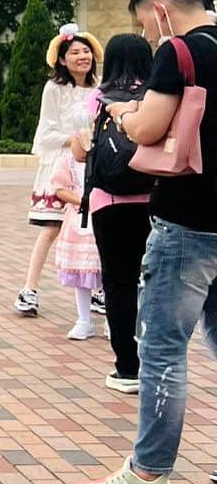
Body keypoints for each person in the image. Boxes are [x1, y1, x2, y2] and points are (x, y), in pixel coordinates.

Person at [77, 0, 217, 484]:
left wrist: (124, 114)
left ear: (159, 11)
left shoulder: (180, 51)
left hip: (186, 220)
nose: (150, 34)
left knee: (161, 347)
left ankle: (148, 474)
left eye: (144, 23)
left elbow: (149, 128)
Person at [78, 33, 155, 394]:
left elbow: (82, 152)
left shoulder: (98, 97)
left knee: (118, 282)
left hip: (108, 203)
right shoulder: (157, 96)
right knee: (154, 283)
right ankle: (158, 363)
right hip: (155, 201)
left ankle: (127, 367)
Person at [15, 25, 100, 315]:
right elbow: (44, 133)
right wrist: (75, 140)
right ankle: (29, 289)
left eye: (85, 51)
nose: (82, 56)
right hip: (62, 166)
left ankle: (99, 290)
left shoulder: (100, 87)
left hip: (92, 168)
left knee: (96, 229)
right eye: (74, 52)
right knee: (51, 228)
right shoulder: (54, 89)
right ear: (62, 59)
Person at [50, 145, 101, 340]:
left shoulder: (103, 153)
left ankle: (112, 322)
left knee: (109, 272)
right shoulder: (67, 161)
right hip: (79, 221)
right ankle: (84, 320)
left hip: (103, 216)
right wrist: (82, 201)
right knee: (81, 272)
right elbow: (59, 188)